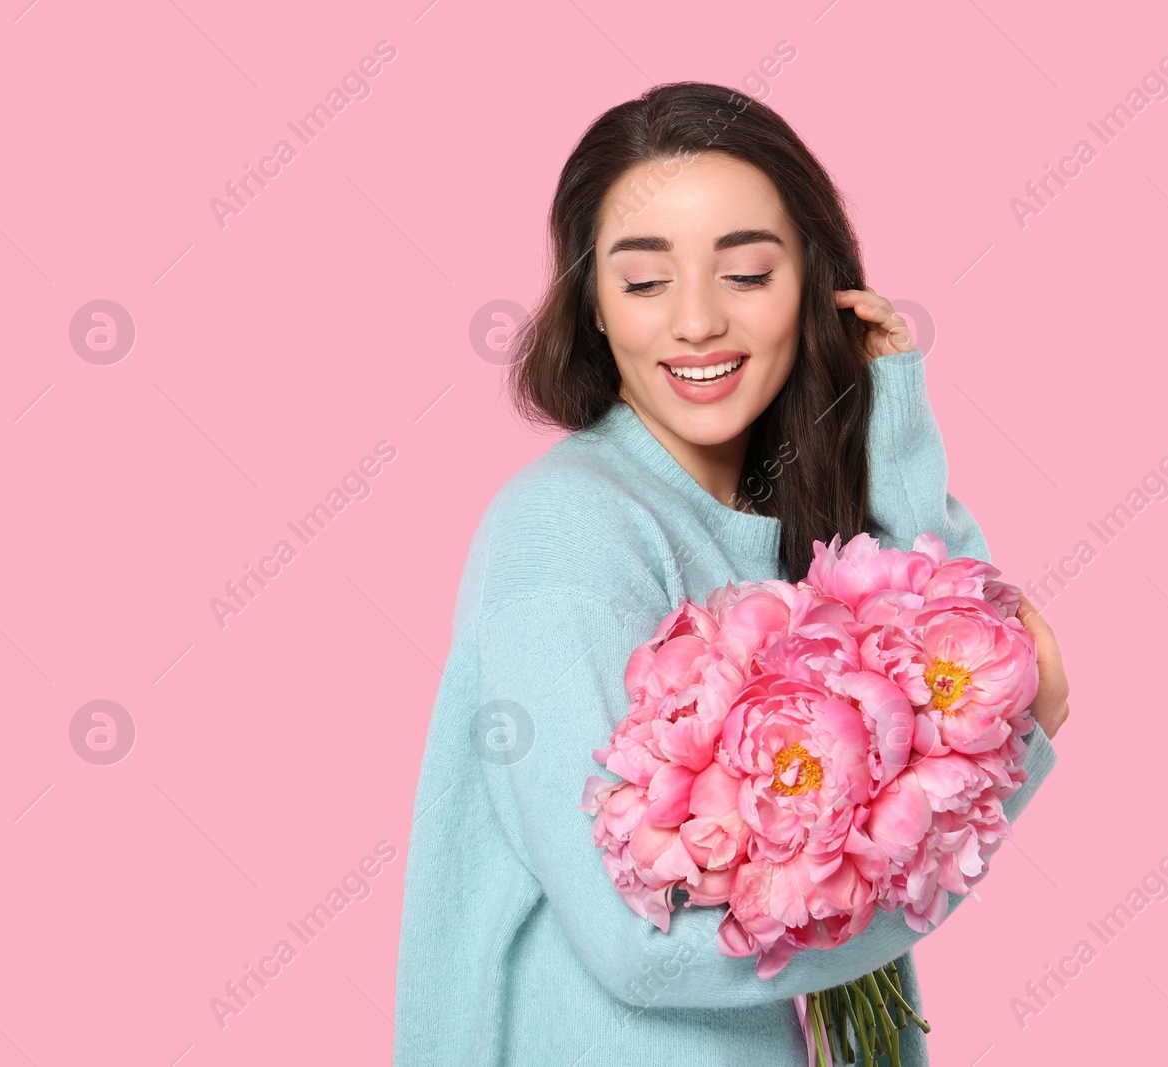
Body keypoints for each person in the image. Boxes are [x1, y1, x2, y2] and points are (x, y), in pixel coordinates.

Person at [393, 80, 1070, 1066]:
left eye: (746, 273)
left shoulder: (784, 524)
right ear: (590, 305)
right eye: (644, 280)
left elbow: (968, 654)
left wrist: (894, 435)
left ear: (812, 284)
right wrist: (980, 803)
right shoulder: (568, 532)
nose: (698, 321)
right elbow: (642, 938)